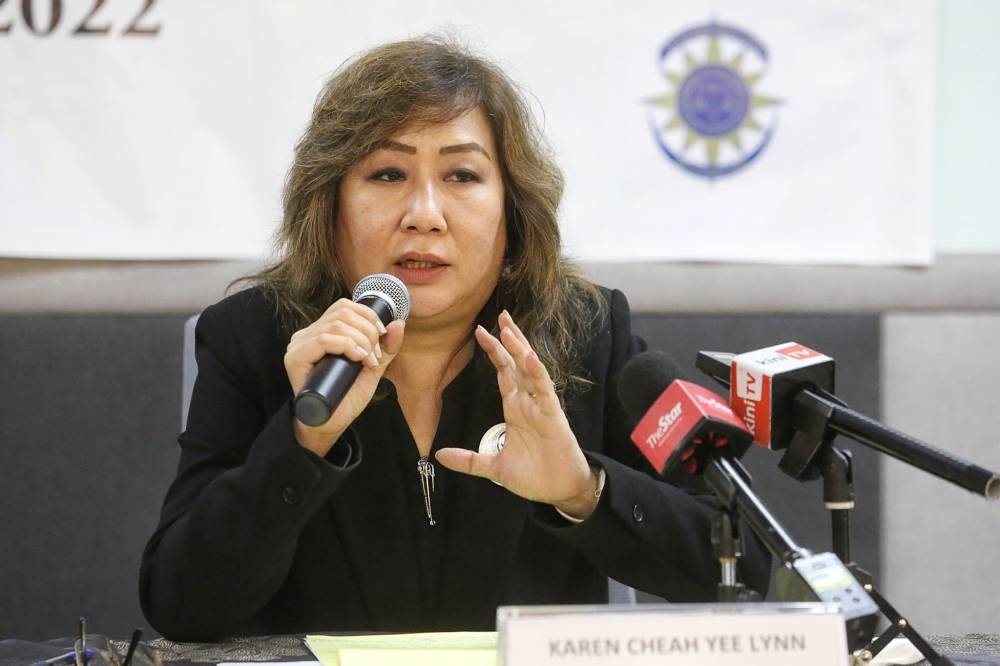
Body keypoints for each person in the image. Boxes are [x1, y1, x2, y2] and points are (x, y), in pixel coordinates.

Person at [139, 36, 770, 642]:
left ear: (512, 211)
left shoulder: (585, 335)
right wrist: (304, 443)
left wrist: (583, 493)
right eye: (387, 174)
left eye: (462, 175)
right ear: (327, 207)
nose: (425, 213)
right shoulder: (257, 340)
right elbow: (182, 605)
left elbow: (747, 568)